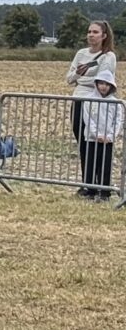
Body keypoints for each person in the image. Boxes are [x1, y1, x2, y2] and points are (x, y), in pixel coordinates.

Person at [66, 19, 119, 198]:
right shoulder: (81, 53)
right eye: (89, 31)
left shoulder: (108, 56)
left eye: (95, 32)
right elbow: (69, 78)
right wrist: (80, 75)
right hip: (79, 101)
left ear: (104, 36)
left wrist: (82, 78)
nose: (91, 35)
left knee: (98, 145)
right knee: (84, 145)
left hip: (97, 103)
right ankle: (87, 183)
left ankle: (101, 186)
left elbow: (103, 79)